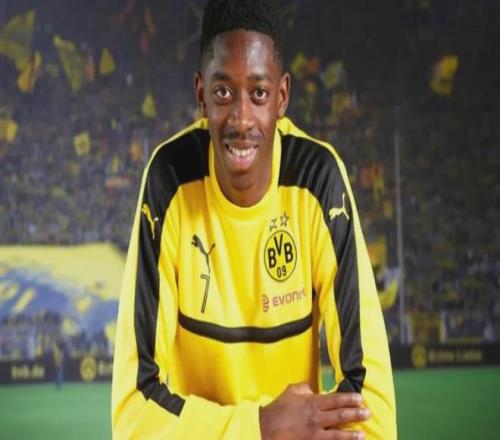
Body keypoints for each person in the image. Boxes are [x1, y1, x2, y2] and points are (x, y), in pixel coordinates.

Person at [111, 0, 396, 438]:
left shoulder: (318, 181)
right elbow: (133, 412)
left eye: (258, 93)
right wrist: (261, 427)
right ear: (201, 94)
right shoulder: (168, 181)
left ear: (282, 97)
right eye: (224, 92)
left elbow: (372, 407)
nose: (241, 119)